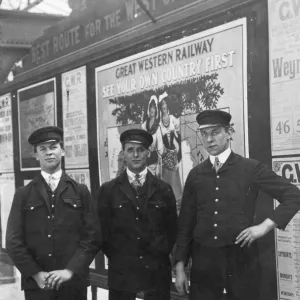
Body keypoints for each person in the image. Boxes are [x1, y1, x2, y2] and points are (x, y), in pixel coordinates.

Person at [175, 110, 300, 300]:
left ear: (229, 132)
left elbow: (293, 195)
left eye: (215, 132)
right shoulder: (196, 174)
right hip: (204, 263)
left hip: (242, 261)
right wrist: (180, 266)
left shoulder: (250, 168)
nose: (209, 139)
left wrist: (264, 226)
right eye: (204, 134)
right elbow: (186, 223)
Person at [6, 126, 101, 300]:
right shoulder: (24, 194)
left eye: (53, 147)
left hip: (73, 284)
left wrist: (70, 271)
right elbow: (13, 241)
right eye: (43, 149)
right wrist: (35, 274)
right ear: (36, 155)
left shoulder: (80, 191)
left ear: (63, 151)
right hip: (38, 287)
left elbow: (93, 237)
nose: (49, 153)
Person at [97, 128, 177, 300]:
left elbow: (171, 231)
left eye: (140, 150)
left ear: (148, 153)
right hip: (122, 274)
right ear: (123, 154)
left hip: (156, 273)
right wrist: (122, 257)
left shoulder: (163, 189)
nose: (135, 155)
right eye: (130, 150)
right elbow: (103, 233)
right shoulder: (108, 190)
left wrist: (157, 254)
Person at [158, 93, 182, 210]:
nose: (164, 106)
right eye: (162, 104)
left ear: (167, 105)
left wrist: (178, 150)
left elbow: (178, 134)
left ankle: (178, 203)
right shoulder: (159, 122)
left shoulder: (172, 118)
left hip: (174, 150)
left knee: (175, 176)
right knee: (166, 177)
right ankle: (168, 203)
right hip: (164, 153)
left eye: (165, 103)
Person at [141, 95, 162, 177]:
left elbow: (160, 147)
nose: (151, 109)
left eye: (153, 108)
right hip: (144, 159)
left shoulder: (158, 126)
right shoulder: (144, 126)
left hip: (154, 160)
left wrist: (158, 165)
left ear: (156, 109)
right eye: (150, 107)